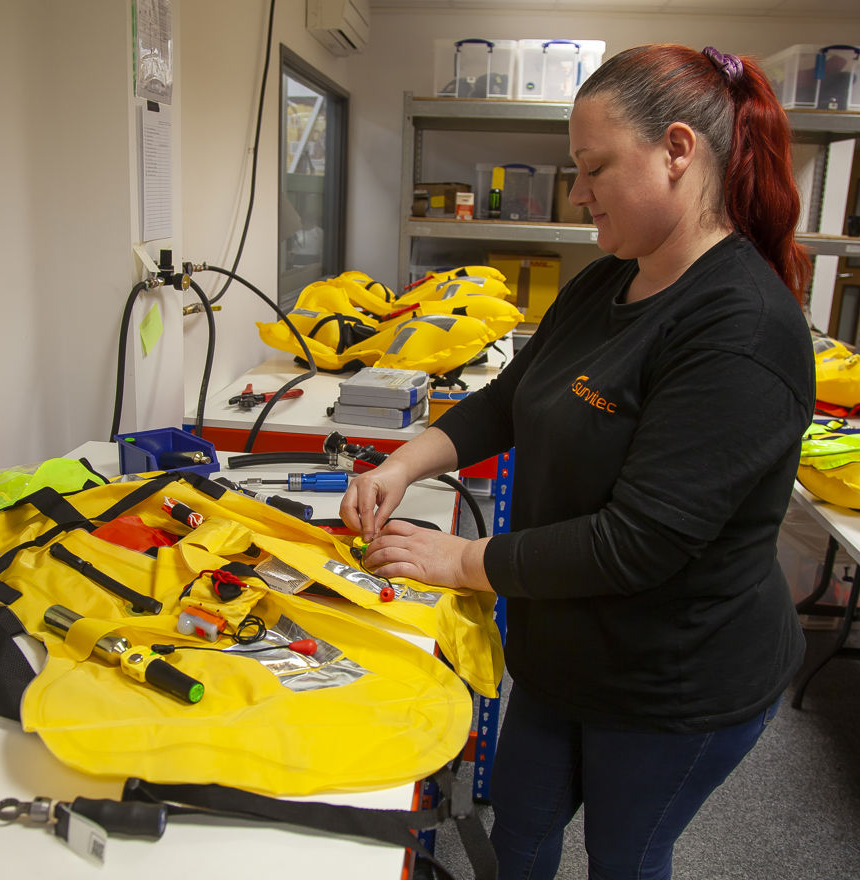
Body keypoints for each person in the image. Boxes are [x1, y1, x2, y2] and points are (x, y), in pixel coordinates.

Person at [341, 44, 814, 880]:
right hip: (564, 640)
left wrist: (459, 560)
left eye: (595, 167)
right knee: (519, 829)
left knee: (624, 857)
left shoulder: (742, 328)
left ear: (677, 150)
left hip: (676, 676)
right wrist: (402, 466)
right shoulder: (605, 283)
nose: (579, 191)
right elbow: (509, 400)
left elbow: (638, 541)